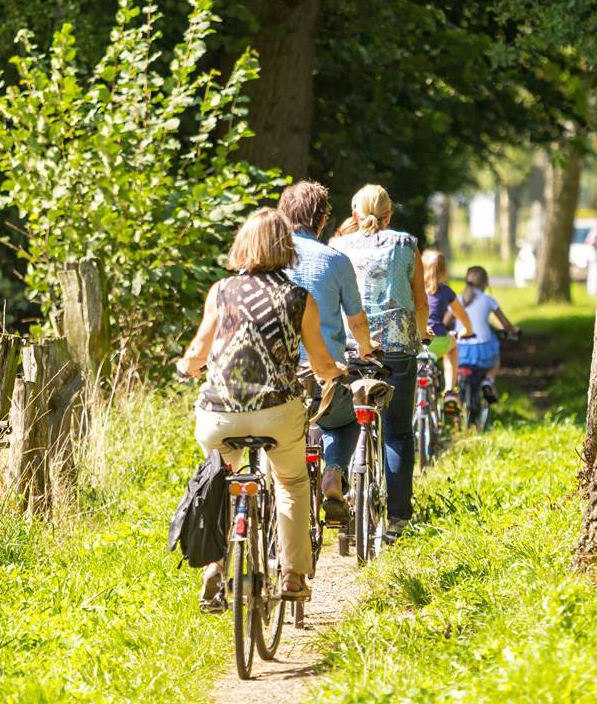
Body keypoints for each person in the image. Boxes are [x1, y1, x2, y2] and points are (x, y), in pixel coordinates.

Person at [176, 208, 345, 610]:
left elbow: (198, 352)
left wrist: (186, 366)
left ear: (242, 245)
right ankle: (292, 574)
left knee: (218, 478)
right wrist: (333, 373)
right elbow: (321, 363)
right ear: (286, 247)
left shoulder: (220, 291)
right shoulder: (298, 296)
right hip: (276, 411)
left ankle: (214, 569)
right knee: (291, 482)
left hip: (219, 413)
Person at [330, 185, 428, 541]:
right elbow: (420, 302)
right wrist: (421, 334)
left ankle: (341, 484)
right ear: (390, 215)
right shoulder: (406, 245)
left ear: (355, 214)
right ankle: (398, 519)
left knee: (345, 422)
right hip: (396, 349)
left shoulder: (337, 247)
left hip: (350, 350)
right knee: (398, 432)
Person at [277, 180, 377, 523]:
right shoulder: (336, 260)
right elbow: (357, 322)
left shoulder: (267, 259)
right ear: (321, 220)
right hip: (323, 379)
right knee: (344, 423)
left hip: (276, 381)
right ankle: (333, 474)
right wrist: (366, 349)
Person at [457, 266, 520, 402]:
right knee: (496, 355)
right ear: (485, 283)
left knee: (455, 367)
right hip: (482, 350)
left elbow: (447, 320)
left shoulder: (457, 299)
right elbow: (505, 324)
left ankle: (454, 393)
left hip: (460, 350)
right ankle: (489, 380)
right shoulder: (488, 300)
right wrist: (513, 330)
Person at [421, 248, 472, 409]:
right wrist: (468, 331)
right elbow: (461, 314)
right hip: (438, 340)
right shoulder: (445, 291)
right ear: (444, 271)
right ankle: (450, 390)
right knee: (452, 347)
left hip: (415, 342)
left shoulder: (414, 289)